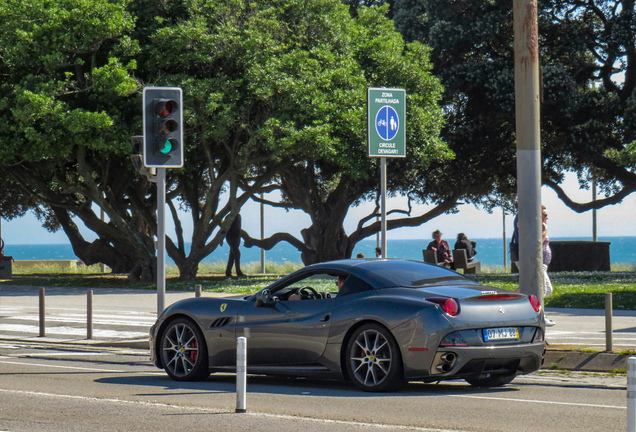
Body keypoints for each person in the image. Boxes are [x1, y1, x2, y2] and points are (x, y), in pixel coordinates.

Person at [542, 206, 555, 326]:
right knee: (543, 290)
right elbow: (539, 240)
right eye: (545, 215)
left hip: (544, 264)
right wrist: (545, 229)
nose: (547, 218)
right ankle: (540, 315)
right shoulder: (540, 227)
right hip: (539, 263)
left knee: (548, 289)